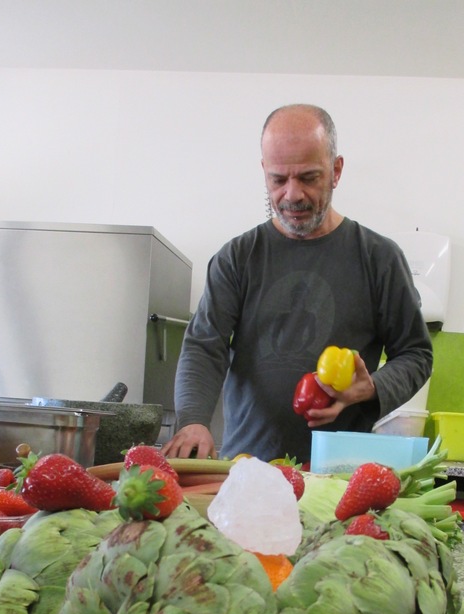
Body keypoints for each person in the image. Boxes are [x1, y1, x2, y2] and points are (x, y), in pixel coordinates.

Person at [162, 103, 433, 463]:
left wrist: (373, 388)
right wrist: (194, 420)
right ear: (264, 172)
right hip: (247, 469)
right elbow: (204, 346)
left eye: (308, 177)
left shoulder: (379, 258)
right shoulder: (237, 257)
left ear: (336, 171)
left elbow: (416, 353)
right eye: (278, 179)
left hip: (339, 474)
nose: (292, 194)